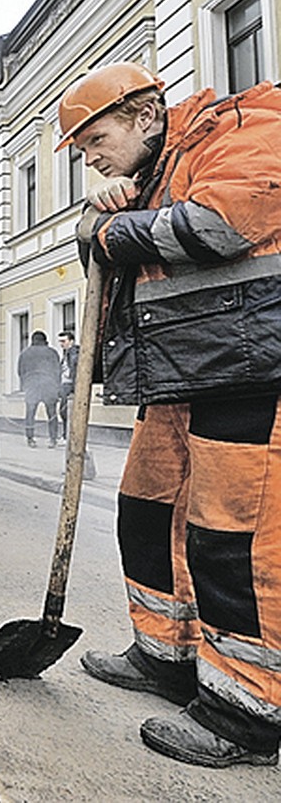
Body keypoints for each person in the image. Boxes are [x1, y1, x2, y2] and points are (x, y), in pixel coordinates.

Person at [62, 60, 281, 767]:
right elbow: (113, 251)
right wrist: (103, 221)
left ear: (146, 115)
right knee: (146, 513)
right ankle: (166, 654)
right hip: (181, 378)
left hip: (250, 373)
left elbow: (217, 227)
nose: (91, 160)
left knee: (233, 544)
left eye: (96, 141)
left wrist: (110, 232)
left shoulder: (244, 128)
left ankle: (247, 713)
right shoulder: (155, 176)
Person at [16, 330, 60, 448]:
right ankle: (53, 439)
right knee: (52, 414)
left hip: (32, 386)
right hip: (49, 385)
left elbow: (20, 371)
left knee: (30, 413)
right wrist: (57, 387)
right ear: (45, 340)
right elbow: (57, 371)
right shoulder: (52, 352)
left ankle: (30, 439)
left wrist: (25, 384)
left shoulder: (25, 353)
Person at [56, 330, 79, 434]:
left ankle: (67, 435)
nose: (61, 344)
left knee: (65, 412)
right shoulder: (67, 353)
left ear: (71, 341)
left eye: (63, 341)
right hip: (65, 385)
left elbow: (74, 370)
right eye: (60, 342)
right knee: (64, 411)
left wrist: (73, 388)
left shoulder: (73, 353)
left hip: (69, 385)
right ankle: (66, 434)